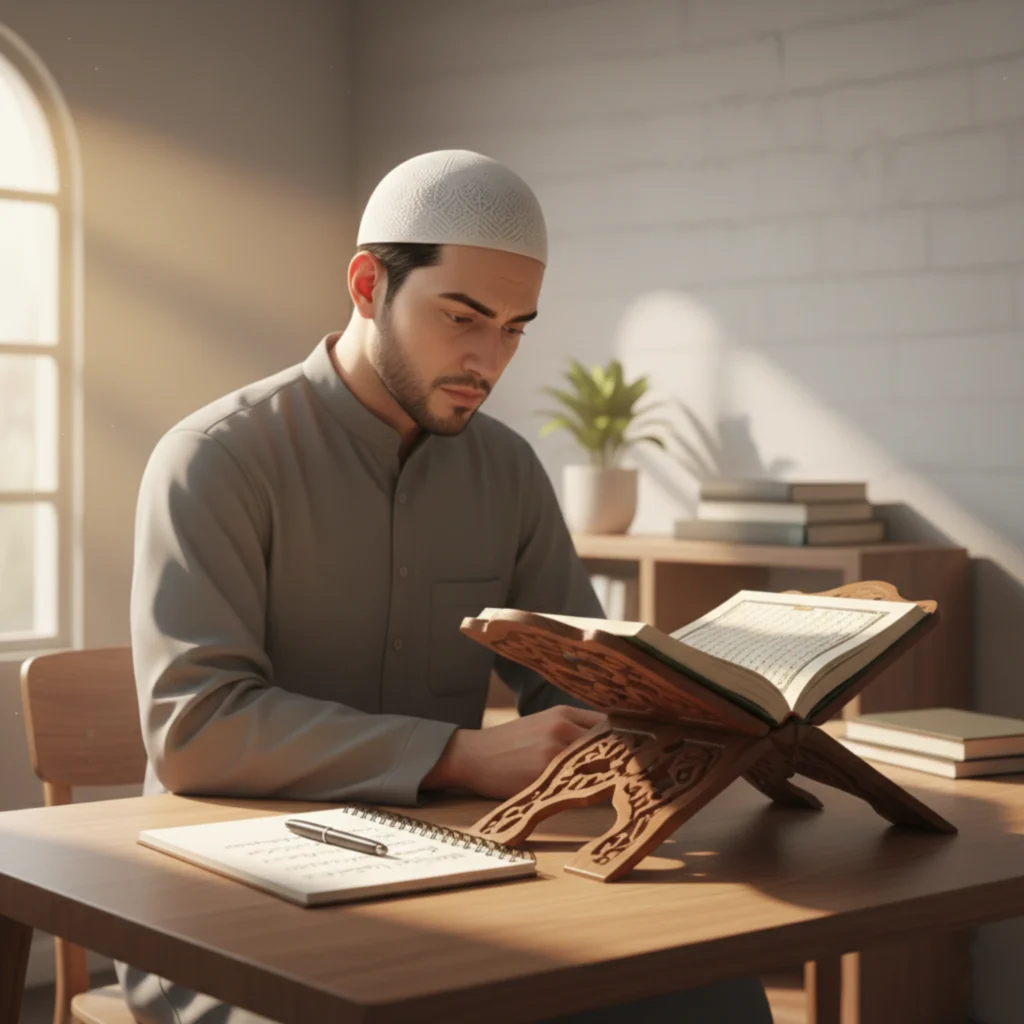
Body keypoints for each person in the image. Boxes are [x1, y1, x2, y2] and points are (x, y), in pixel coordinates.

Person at [116, 150, 772, 1023]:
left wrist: (708, 707)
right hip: (225, 901)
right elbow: (194, 729)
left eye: (513, 328)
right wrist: (459, 754)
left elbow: (580, 679)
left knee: (709, 990)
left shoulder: (508, 470)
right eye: (461, 316)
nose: (487, 358)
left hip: (455, 876)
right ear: (365, 285)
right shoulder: (215, 461)